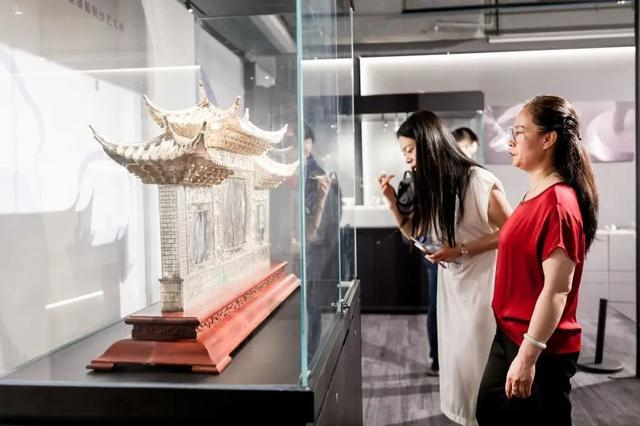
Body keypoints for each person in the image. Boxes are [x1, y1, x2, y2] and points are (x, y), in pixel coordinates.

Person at [378, 111, 512, 425]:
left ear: (428, 144)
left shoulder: (477, 181)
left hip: (483, 290)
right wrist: (392, 203)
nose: (407, 158)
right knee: (459, 370)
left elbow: (513, 231)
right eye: (404, 152)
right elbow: (417, 234)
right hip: (452, 290)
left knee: (479, 368)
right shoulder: (434, 185)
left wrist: (461, 250)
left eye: (410, 150)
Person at [476, 96, 598, 425]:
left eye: (519, 131)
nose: (510, 141)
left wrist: (528, 356)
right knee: (491, 412)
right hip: (512, 332)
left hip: (538, 344)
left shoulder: (557, 203)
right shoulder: (536, 193)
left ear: (548, 139)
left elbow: (557, 289)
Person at [303, 124, 341, 362]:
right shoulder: (308, 172)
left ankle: (311, 356)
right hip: (308, 247)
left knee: (311, 303)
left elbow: (327, 218)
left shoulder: (316, 173)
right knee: (308, 303)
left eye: (307, 145)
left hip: (313, 248)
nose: (305, 151)